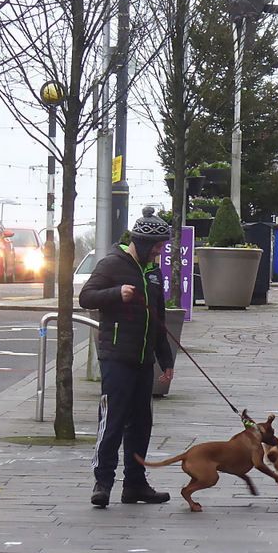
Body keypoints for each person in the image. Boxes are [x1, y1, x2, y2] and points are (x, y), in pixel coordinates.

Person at [79, 210, 175, 508]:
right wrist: (115, 293)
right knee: (113, 420)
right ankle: (103, 482)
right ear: (144, 242)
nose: (160, 251)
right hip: (116, 357)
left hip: (143, 359)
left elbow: (158, 318)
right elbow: (86, 297)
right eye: (157, 245)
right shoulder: (111, 264)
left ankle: (135, 483)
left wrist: (166, 360)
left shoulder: (153, 273)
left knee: (141, 422)